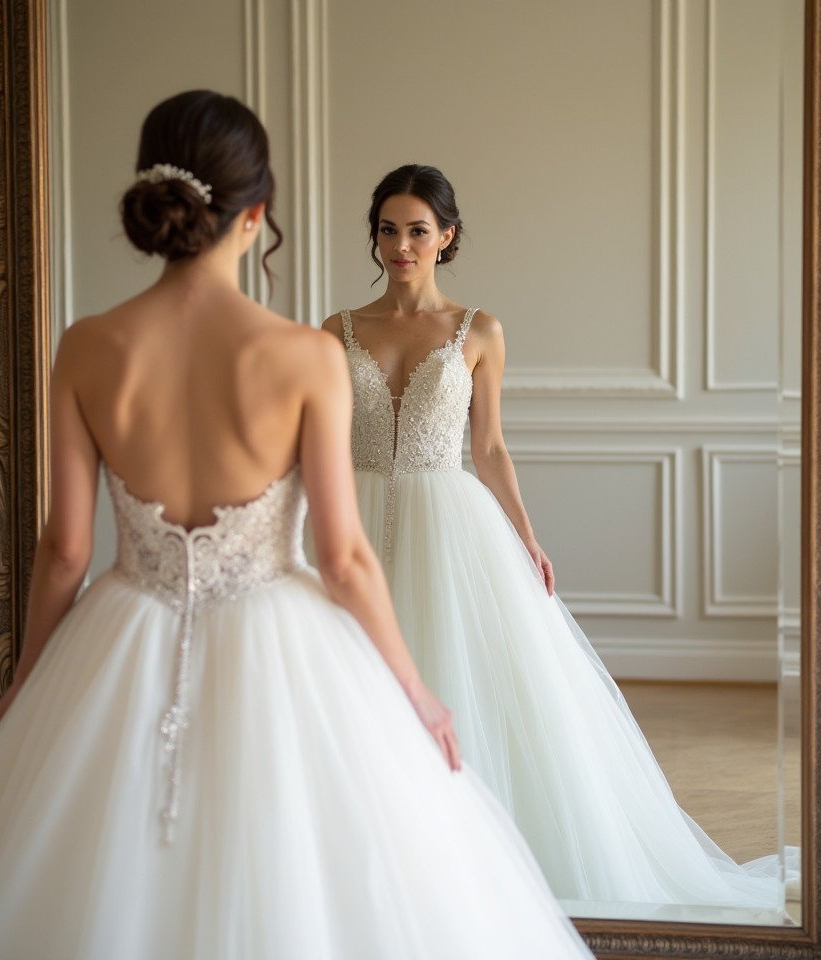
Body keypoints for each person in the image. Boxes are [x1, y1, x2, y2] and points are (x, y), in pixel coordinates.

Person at [0, 94, 592, 960]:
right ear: (256, 214)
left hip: (122, 629)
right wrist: (413, 692)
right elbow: (345, 558)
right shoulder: (306, 353)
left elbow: (64, 550)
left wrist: (27, 684)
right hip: (280, 637)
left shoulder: (86, 345)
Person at [317, 164, 792, 914]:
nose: (400, 245)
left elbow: (491, 447)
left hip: (449, 520)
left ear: (447, 236)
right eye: (387, 229)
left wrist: (527, 538)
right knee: (354, 690)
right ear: (372, 235)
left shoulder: (478, 330)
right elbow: (317, 439)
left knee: (458, 678)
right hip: (358, 515)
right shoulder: (337, 330)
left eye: (417, 230)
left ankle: (469, 859)